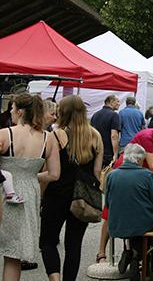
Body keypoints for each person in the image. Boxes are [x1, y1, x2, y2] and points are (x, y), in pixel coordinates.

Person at [40, 95, 103, 281]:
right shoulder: (95, 135)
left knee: (48, 241)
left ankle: (55, 278)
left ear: (62, 112)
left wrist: (41, 197)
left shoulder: (56, 135)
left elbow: (48, 170)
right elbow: (97, 171)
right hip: (82, 197)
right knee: (74, 245)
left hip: (56, 194)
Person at [96, 121, 153, 262]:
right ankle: (101, 252)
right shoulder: (147, 138)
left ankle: (133, 251)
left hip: (142, 170)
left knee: (131, 208)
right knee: (110, 212)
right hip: (128, 166)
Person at [0, 93, 60, 281]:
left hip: (3, 190)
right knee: (13, 255)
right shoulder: (48, 138)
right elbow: (54, 174)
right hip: (28, 193)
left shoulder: (5, 133)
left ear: (19, 111)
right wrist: (30, 175)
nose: (10, 111)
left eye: (12, 108)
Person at [105, 143, 153, 280]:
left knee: (133, 221)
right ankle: (139, 256)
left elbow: (107, 203)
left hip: (117, 223)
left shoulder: (112, 175)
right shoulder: (147, 175)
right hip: (143, 224)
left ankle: (130, 252)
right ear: (140, 160)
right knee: (151, 221)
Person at [90, 94, 121, 166]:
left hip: (95, 150)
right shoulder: (114, 115)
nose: (119, 104)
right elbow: (114, 136)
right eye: (117, 101)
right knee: (106, 175)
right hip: (108, 152)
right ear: (111, 102)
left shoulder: (95, 114)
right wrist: (115, 154)